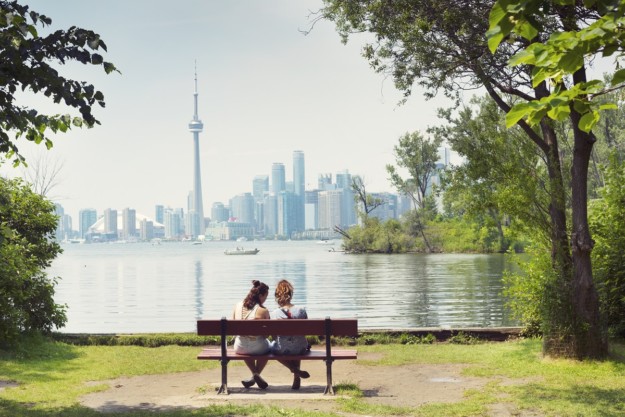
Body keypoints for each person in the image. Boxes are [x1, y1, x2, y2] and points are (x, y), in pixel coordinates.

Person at [270, 279, 310, 390]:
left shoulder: (274, 313)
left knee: (271, 347)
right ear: (290, 295)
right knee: (297, 341)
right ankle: (296, 376)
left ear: (277, 296)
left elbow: (273, 336)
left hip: (283, 349)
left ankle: (293, 369)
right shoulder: (301, 310)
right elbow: (305, 332)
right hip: (301, 348)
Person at [232, 280, 271, 389]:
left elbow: (233, 328)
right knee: (269, 347)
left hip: (239, 347)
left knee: (246, 348)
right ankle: (256, 374)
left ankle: (254, 375)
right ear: (260, 295)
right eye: (265, 296)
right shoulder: (263, 310)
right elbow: (267, 335)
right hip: (258, 348)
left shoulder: (237, 306)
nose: (265, 299)